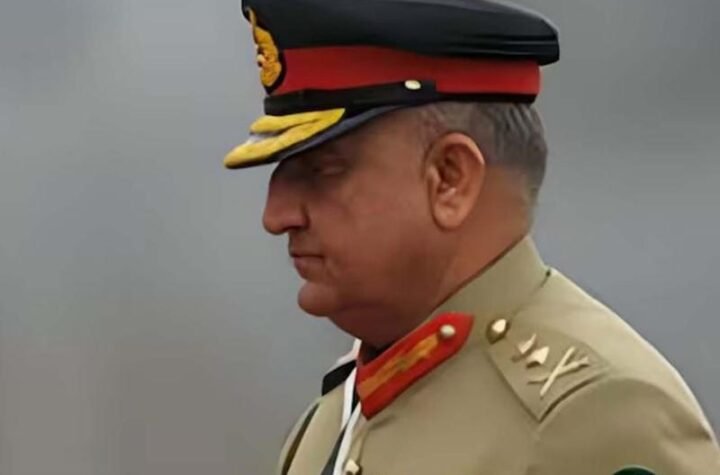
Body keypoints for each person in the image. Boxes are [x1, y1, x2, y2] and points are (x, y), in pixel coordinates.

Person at [224, 1, 720, 474]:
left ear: (450, 178)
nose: (276, 215)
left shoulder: (592, 414)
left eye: (323, 170)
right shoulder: (341, 412)